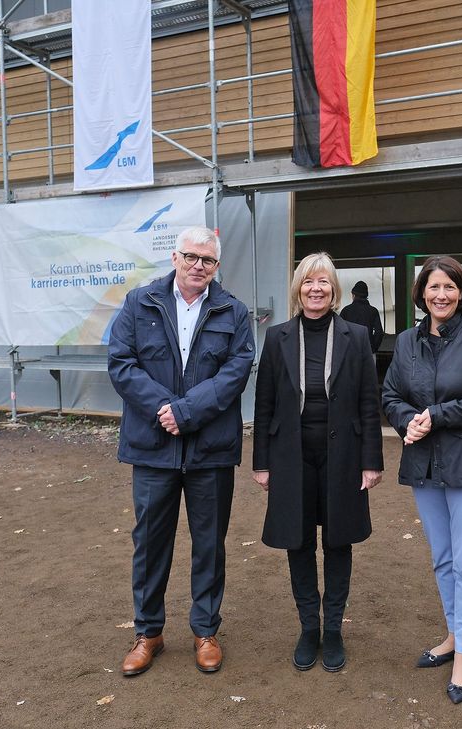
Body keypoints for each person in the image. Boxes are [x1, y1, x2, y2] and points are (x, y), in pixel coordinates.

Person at [108, 226, 255, 676]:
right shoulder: (140, 303)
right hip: (153, 448)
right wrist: (164, 409)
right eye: (191, 257)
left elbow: (237, 370)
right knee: (150, 544)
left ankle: (205, 630)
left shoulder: (234, 310)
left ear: (217, 266)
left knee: (209, 545)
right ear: (174, 257)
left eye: (207, 260)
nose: (198, 266)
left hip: (210, 449)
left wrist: (187, 412)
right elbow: (121, 362)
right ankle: (148, 632)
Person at [382, 255, 462, 705]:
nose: (441, 295)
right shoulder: (406, 342)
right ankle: (454, 634)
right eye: (433, 287)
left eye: (450, 287)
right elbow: (391, 394)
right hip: (425, 466)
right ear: (421, 293)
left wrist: (434, 415)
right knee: (442, 558)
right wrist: (406, 422)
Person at [252, 252, 383, 673]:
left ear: (334, 289)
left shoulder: (356, 336)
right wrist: (261, 462)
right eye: (308, 281)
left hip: (343, 455)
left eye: (323, 281)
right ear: (298, 288)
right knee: (299, 539)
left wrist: (371, 460)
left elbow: (368, 402)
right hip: (291, 456)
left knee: (337, 540)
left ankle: (333, 631)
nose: (316, 289)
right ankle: (309, 627)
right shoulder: (277, 338)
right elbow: (265, 401)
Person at [340, 280, 384, 356]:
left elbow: (339, 331)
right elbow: (379, 332)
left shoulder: (346, 311)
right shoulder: (373, 311)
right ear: (366, 296)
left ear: (353, 295)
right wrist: (373, 348)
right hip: (368, 351)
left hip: (350, 352)